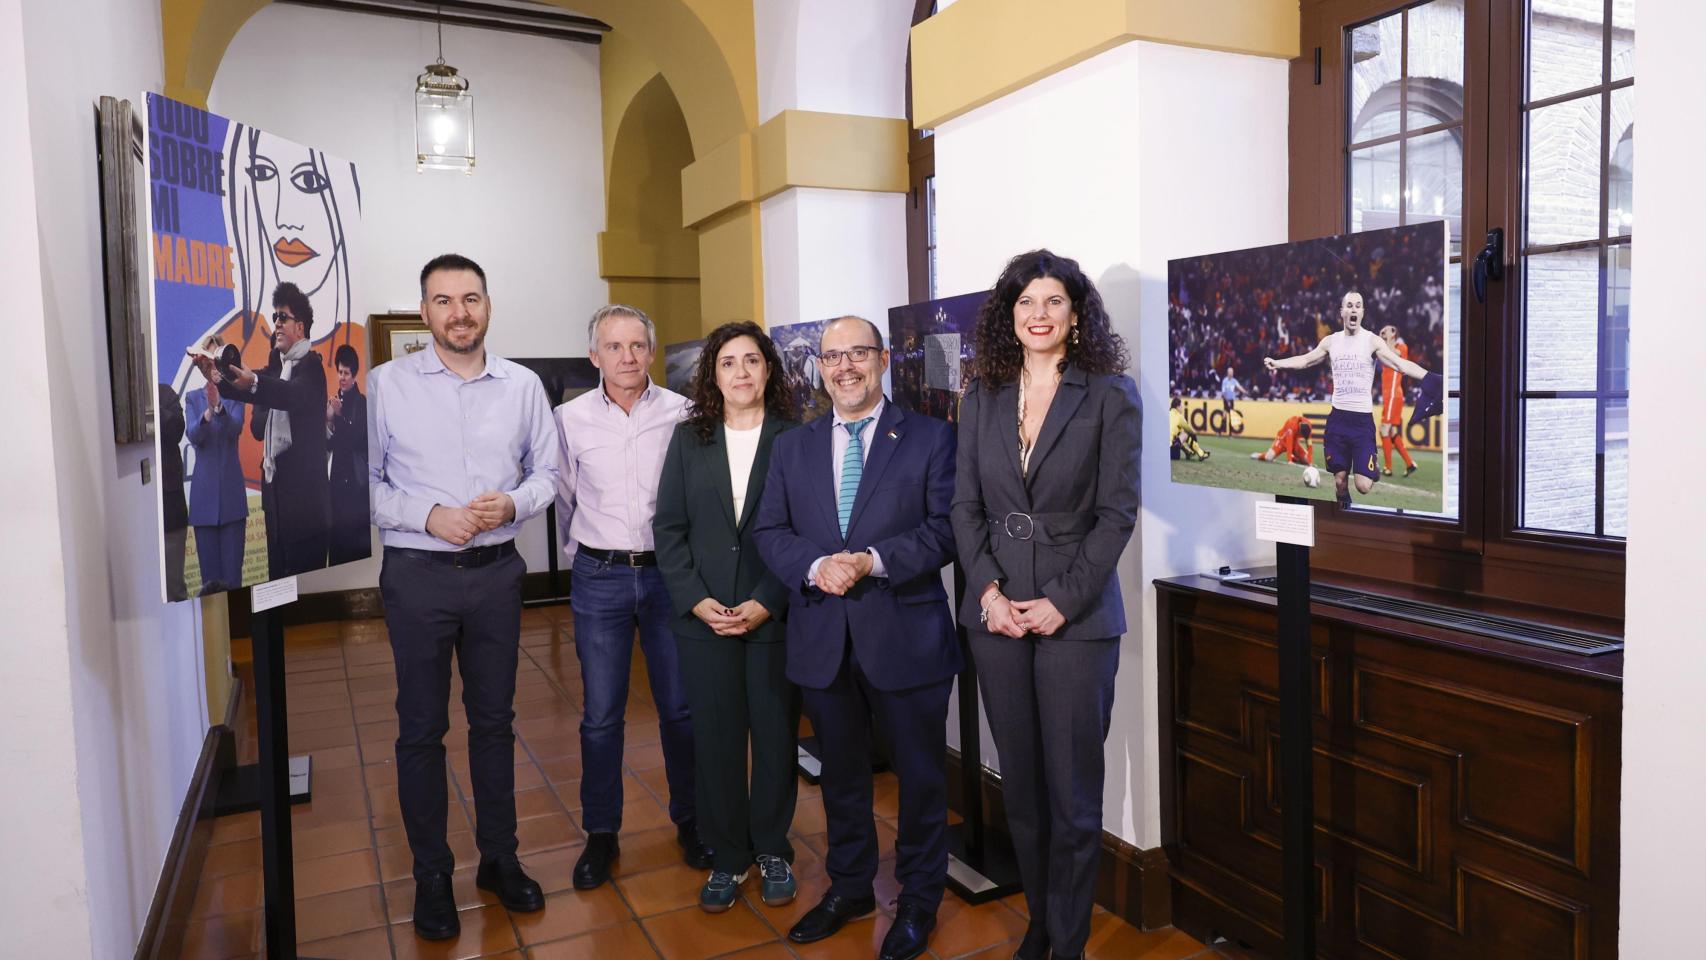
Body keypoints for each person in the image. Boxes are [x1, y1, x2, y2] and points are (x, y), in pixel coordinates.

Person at [950, 250, 1141, 960]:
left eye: (1053, 301)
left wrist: (1060, 602)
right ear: (1008, 315)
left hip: (1078, 620)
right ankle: (1039, 920)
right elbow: (964, 505)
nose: (1039, 314)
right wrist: (990, 593)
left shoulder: (1110, 392)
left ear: (1076, 313)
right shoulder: (983, 393)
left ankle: (1070, 936)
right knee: (1023, 791)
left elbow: (1117, 515)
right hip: (995, 618)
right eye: (1026, 302)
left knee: (1072, 796)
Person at [367, 254, 562, 940]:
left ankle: (499, 860)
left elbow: (548, 473)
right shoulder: (384, 386)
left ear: (488, 305)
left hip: (496, 575)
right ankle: (431, 876)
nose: (459, 312)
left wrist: (512, 501)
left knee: (494, 723)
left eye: (470, 298)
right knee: (421, 729)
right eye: (443, 300)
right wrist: (427, 516)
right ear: (424, 312)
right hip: (418, 576)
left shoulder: (522, 386)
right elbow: (361, 484)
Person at [752, 316, 959, 960]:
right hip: (822, 636)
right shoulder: (793, 446)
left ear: (883, 358)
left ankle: (920, 900)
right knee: (841, 779)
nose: (845, 367)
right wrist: (815, 568)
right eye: (833, 356)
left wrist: (871, 559)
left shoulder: (930, 438)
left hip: (905, 637)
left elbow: (946, 529)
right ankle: (851, 888)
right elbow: (770, 531)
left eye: (858, 354)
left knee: (921, 779)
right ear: (820, 365)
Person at [555, 304, 708, 891]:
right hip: (601, 577)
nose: (627, 358)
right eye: (613, 347)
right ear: (594, 355)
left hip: (670, 576)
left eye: (637, 346)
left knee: (680, 708)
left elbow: (696, 497)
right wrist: (590, 554)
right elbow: (566, 496)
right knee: (600, 716)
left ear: (651, 350)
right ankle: (601, 835)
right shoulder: (567, 419)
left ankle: (691, 822)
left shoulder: (684, 413)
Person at [653, 321, 800, 913]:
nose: (741, 373)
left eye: (752, 361)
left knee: (772, 737)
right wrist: (695, 599)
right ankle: (728, 856)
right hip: (703, 619)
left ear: (769, 370)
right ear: (712, 375)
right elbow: (668, 529)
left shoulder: (796, 438)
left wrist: (770, 598)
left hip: (773, 616)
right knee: (714, 741)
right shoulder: (690, 439)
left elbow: (807, 531)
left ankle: (772, 849)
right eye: (728, 363)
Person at [200, 281, 331, 579]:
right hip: (277, 511)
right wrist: (216, 377)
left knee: (304, 599)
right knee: (277, 595)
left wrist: (256, 385)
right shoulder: (278, 366)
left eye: (282, 317)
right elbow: (246, 385)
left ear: (300, 326)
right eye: (274, 318)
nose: (277, 324)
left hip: (306, 513)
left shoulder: (310, 366)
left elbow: (289, 394)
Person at [1264, 291, 1440, 508]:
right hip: (1338, 421)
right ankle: (1344, 512)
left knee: (1363, 486)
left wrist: (1431, 378)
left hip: (1361, 423)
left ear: (1363, 312)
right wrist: (1278, 363)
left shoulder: (1372, 341)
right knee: (1339, 482)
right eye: (1349, 305)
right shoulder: (1331, 341)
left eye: (1358, 305)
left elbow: (1400, 364)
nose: (1354, 309)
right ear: (1342, 312)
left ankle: (1370, 469)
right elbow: (1306, 360)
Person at [184, 336, 248, 592]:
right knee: (209, 585)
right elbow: (193, 434)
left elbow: (236, 427)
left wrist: (220, 405)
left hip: (232, 502)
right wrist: (208, 411)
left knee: (233, 582)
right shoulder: (192, 398)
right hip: (204, 503)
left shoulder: (236, 396)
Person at [326, 343, 370, 564]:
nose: (342, 377)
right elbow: (328, 444)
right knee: (337, 546)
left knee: (353, 548)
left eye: (346, 373)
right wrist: (329, 422)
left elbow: (358, 438)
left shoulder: (361, 403)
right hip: (336, 483)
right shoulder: (333, 401)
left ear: (354, 376)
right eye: (339, 372)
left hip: (355, 485)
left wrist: (340, 417)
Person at [158, 382, 190, 602]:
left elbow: (177, 429)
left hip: (171, 510)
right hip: (138, 509)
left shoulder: (165, 394)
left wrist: (151, 404)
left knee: (174, 586)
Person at [1377, 325, 1419, 478]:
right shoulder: (1385, 348)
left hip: (1393, 394)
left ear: (1394, 333)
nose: (1384, 332)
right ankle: (1410, 463)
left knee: (1384, 429)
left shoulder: (1402, 347)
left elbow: (1394, 355)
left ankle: (1388, 468)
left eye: (1387, 330)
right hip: (1391, 395)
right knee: (1392, 431)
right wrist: (1380, 338)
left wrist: (1386, 339)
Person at [1250, 414, 1316, 466]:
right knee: (1268, 457)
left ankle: (1295, 458)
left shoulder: (1308, 428)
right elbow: (1289, 443)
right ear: (1299, 429)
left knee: (1306, 460)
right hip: (1282, 440)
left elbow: (1309, 445)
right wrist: (1289, 461)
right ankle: (1259, 455)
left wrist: (1310, 462)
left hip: (1295, 442)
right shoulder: (1292, 424)